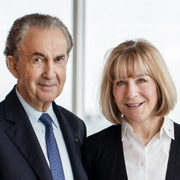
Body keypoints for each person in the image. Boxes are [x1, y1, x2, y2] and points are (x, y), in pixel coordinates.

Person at [0, 13, 88, 180]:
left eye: (58, 60)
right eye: (38, 59)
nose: (50, 73)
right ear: (14, 66)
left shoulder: (76, 127)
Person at [82, 39, 180, 180]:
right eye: (121, 83)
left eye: (141, 80)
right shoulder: (94, 150)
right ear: (112, 93)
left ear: (159, 85)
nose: (131, 93)